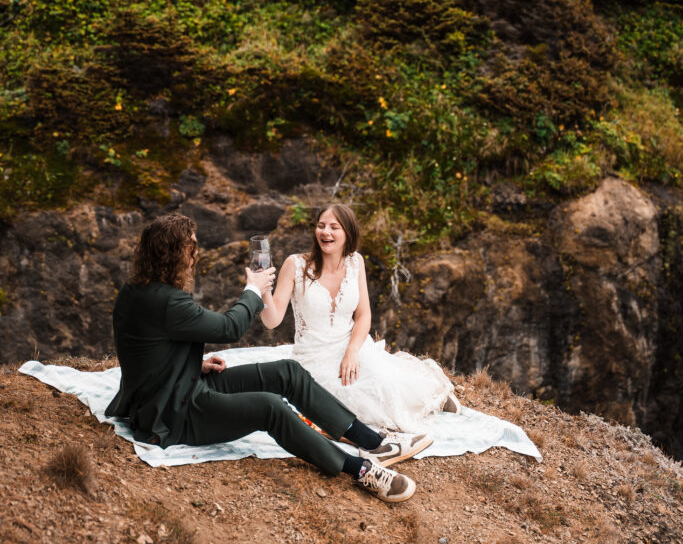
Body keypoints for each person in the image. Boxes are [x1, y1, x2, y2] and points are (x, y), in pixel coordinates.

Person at [105, 213, 432, 504]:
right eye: (191, 248)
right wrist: (253, 288)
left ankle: (372, 442)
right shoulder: (166, 300)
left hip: (181, 384)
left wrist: (193, 364)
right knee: (269, 406)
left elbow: (146, 348)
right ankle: (360, 470)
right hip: (173, 413)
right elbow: (230, 327)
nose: (196, 254)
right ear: (172, 254)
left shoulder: (138, 290)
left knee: (286, 372)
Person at [261, 203, 463, 432]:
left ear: (348, 233)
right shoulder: (295, 264)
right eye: (321, 226)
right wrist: (263, 289)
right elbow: (271, 320)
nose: (325, 232)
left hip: (353, 346)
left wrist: (352, 352)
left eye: (334, 227)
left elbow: (364, 314)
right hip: (313, 356)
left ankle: (434, 394)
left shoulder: (356, 262)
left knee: (386, 382)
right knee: (351, 398)